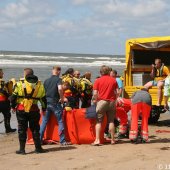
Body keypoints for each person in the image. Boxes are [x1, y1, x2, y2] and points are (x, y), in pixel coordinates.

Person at [10, 68, 47, 154]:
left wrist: (12, 106)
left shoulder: (19, 84)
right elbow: (43, 100)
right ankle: (38, 149)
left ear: (25, 74)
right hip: (34, 110)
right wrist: (44, 109)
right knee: (35, 129)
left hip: (21, 109)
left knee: (22, 129)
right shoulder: (40, 85)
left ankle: (22, 150)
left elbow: (13, 97)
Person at [40, 66, 69, 145]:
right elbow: (60, 88)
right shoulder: (59, 80)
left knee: (44, 121)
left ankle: (39, 139)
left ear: (52, 71)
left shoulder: (46, 81)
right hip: (55, 103)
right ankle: (62, 141)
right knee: (60, 121)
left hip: (46, 103)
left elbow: (42, 92)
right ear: (58, 71)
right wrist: (62, 98)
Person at [92, 65, 118, 145]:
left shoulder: (98, 80)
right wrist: (115, 99)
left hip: (102, 101)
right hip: (112, 102)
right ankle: (113, 139)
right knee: (111, 121)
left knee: (99, 121)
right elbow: (116, 92)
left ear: (101, 72)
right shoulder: (113, 80)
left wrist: (95, 100)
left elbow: (95, 93)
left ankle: (97, 140)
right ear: (109, 72)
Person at [0, 69, 16, 133]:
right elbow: (3, 91)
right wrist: (9, 96)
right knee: (7, 115)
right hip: (3, 102)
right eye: (1, 73)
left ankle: (8, 129)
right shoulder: (1, 81)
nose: (3, 74)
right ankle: (8, 129)